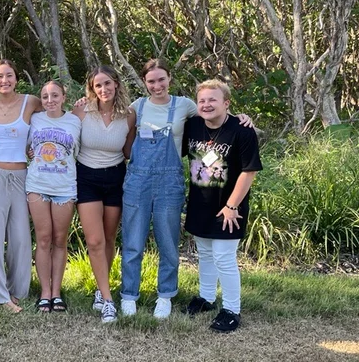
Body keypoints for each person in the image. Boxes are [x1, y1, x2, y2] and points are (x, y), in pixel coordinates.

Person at [120, 59, 252, 319]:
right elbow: (124, 141)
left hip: (170, 183)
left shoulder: (185, 106)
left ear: (170, 78)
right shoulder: (137, 107)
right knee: (133, 242)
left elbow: (215, 116)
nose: (157, 85)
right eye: (151, 81)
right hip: (138, 182)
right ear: (144, 83)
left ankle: (165, 295)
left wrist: (241, 118)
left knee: (168, 243)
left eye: (161, 79)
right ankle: (128, 295)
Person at [183, 80, 262, 332]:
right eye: (202, 100)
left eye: (212, 100)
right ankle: (206, 298)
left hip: (229, 207)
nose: (206, 105)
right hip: (199, 203)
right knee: (204, 254)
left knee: (224, 258)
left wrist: (232, 206)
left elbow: (248, 172)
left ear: (226, 103)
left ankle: (231, 310)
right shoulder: (193, 125)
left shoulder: (242, 130)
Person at [71, 66, 134, 323]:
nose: (103, 89)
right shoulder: (81, 110)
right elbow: (59, 128)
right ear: (91, 88)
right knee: (95, 240)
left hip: (116, 178)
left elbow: (129, 152)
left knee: (109, 238)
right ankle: (108, 301)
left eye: (107, 84)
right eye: (98, 85)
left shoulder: (129, 115)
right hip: (86, 178)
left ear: (116, 84)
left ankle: (101, 288)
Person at [0, 59, 42, 313]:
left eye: (9, 75)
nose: (4, 80)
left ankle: (17, 289)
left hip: (20, 175)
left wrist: (35, 146)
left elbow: (53, 118)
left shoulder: (32, 102)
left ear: (16, 78)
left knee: (20, 238)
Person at [26, 81, 81, 313]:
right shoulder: (34, 119)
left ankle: (56, 292)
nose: (50, 100)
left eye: (55, 95)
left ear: (64, 97)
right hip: (37, 184)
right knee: (43, 239)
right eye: (45, 96)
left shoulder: (76, 120)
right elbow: (23, 144)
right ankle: (44, 292)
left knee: (60, 239)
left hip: (64, 187)